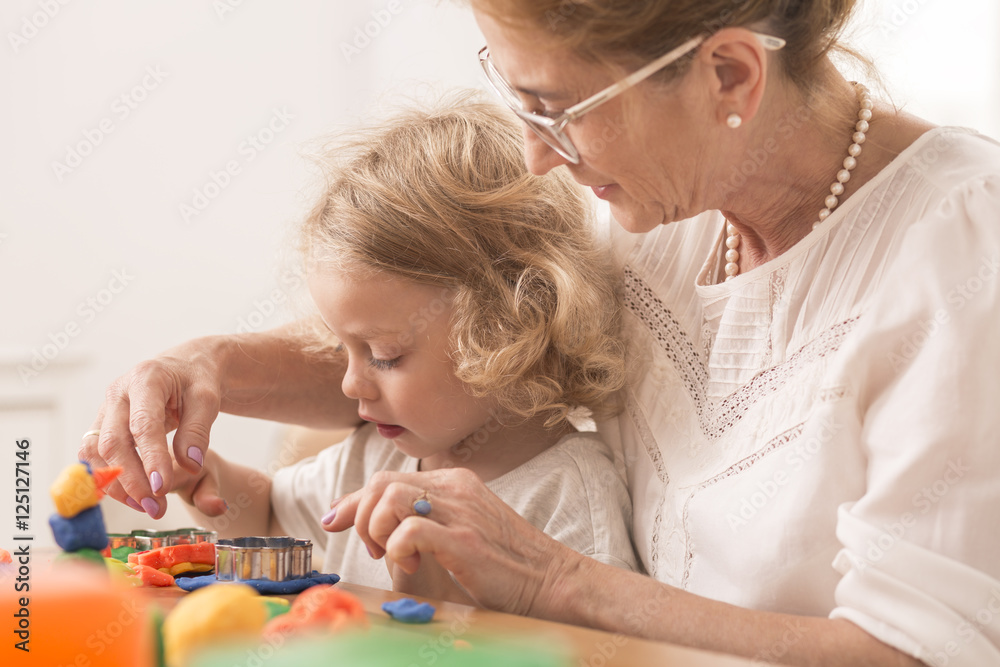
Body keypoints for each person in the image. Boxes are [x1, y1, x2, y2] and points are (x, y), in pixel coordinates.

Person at [80, 1, 1000, 665]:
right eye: (518, 102)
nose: (535, 156)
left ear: (729, 75)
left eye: (560, 110)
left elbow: (914, 654)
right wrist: (205, 366)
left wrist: (555, 579)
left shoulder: (961, 251)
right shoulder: (661, 202)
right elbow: (457, 352)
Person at [106, 94, 638, 597]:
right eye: (343, 350)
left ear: (507, 329)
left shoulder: (569, 492)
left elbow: (600, 647)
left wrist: (446, 609)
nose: (349, 383)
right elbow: (271, 517)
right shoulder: (379, 453)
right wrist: (209, 480)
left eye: (383, 354)